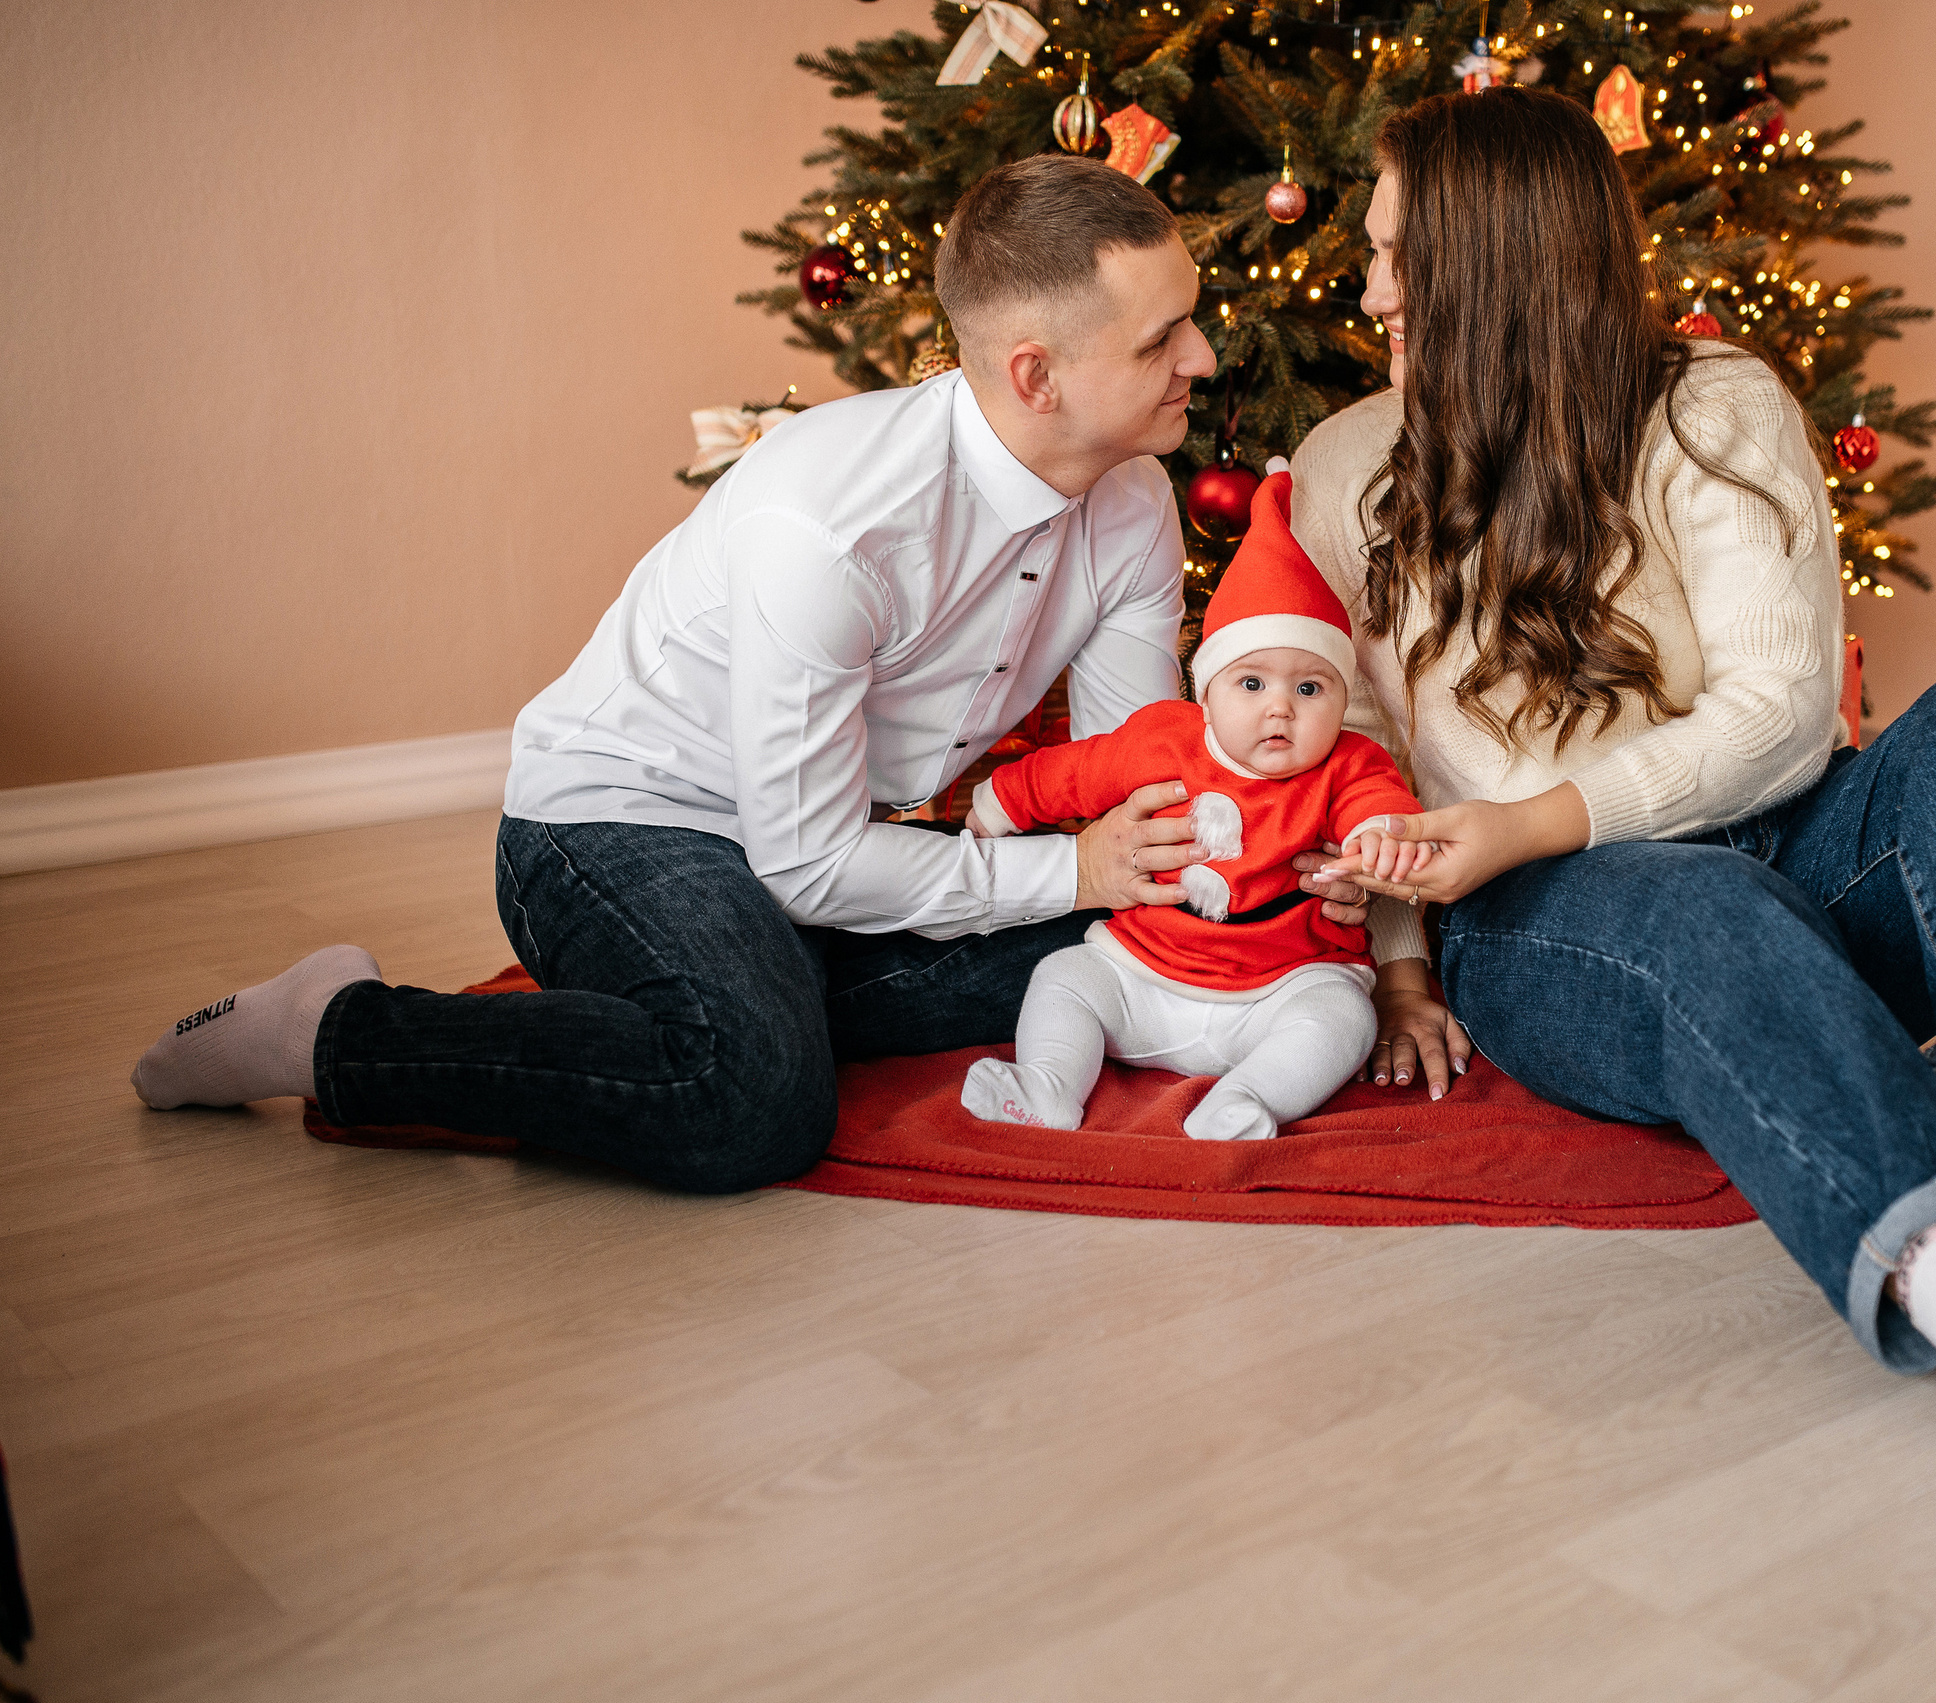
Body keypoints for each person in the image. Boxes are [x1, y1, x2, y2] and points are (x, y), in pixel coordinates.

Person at [1297, 87, 1936, 1531]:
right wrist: (1405, 961)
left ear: (1496, 266)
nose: (1369, 289)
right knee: (1701, 902)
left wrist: (1542, 807)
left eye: (1399, 254)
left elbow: (1783, 714)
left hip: (1775, 844)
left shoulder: (1716, 407)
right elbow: (1356, 751)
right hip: (1543, 917)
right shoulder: (1348, 465)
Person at [128, 155, 1368, 1192]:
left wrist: (1258, 868)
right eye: (1163, 339)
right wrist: (1080, 870)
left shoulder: (1134, 503)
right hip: (623, 825)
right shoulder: (831, 525)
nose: (1204, 357)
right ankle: (337, 1027)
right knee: (751, 1100)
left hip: (824, 839)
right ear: (1036, 374)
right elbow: (809, 862)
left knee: (1116, 945)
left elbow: (1131, 781)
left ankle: (740, 994)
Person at [960, 473, 1431, 1141]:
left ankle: (1245, 1101)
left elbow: (1377, 803)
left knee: (1345, 1018)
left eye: (1309, 686)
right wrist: (997, 803)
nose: (1280, 706)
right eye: (1251, 682)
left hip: (1281, 989)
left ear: (1339, 697)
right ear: (1206, 694)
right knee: (1064, 975)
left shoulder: (1347, 762)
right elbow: (1075, 772)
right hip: (1142, 979)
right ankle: (1049, 1085)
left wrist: (1379, 835)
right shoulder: (1162, 737)